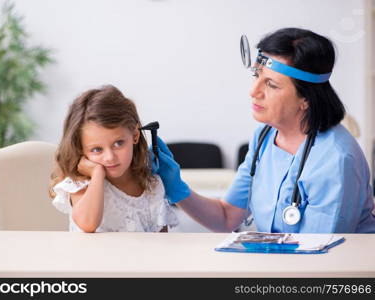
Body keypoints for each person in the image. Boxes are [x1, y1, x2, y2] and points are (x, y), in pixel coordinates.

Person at [152, 27, 375, 233]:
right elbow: (227, 217)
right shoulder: (265, 136)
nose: (253, 91)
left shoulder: (335, 160)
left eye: (271, 84)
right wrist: (176, 187)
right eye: (256, 76)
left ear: (306, 98)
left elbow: (317, 256)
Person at [50, 85, 178, 233]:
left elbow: (162, 241)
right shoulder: (80, 184)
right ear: (81, 149)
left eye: (118, 143)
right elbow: (88, 224)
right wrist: (97, 173)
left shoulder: (152, 185)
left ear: (135, 136)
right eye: (97, 149)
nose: (110, 157)